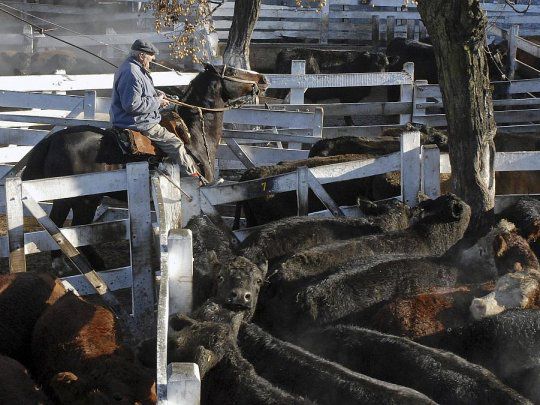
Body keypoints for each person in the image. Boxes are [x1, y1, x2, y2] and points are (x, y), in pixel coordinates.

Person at [110, 39, 202, 179]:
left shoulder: (135, 68)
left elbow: (141, 92)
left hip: (137, 118)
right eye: (150, 56)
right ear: (141, 55)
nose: (153, 59)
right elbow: (131, 105)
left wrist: (156, 94)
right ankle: (194, 180)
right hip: (136, 122)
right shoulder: (132, 73)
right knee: (175, 143)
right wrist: (157, 102)